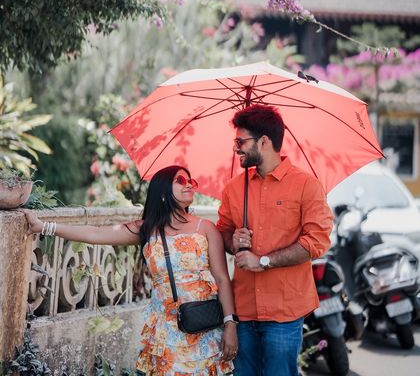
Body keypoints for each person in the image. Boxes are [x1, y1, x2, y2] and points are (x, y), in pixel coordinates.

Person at [25, 165, 238, 376]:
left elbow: (222, 279)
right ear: (162, 190)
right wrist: (44, 226)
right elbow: (95, 234)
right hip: (166, 329)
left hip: (204, 326)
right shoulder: (147, 229)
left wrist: (230, 324)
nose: (189, 185)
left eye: (191, 181)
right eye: (180, 181)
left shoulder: (206, 228)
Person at [216, 104, 334, 376]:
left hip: (285, 312)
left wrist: (263, 261)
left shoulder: (306, 185)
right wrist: (234, 241)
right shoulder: (234, 188)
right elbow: (223, 231)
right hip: (243, 310)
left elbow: (316, 241)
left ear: (264, 141)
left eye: (241, 141)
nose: (236, 148)